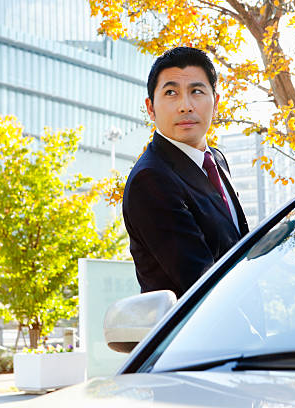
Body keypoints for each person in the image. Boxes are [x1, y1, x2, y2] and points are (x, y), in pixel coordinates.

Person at [122, 47, 249, 299]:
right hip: (197, 335)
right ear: (150, 108)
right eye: (171, 93)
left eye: (197, 91)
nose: (185, 106)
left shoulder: (217, 160)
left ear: (216, 103)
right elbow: (202, 284)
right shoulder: (151, 179)